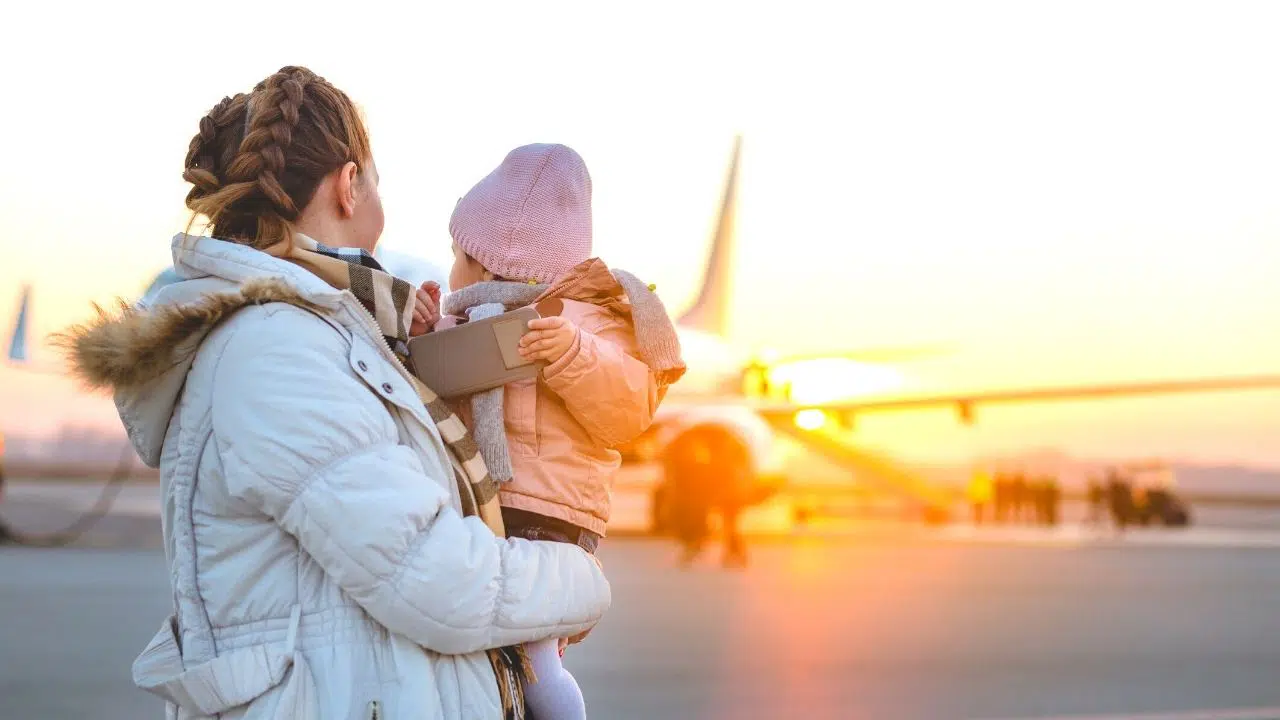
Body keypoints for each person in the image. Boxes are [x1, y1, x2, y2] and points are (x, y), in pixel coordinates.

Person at [58, 67, 610, 719]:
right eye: (376, 179)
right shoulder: (278, 349)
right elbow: (434, 579)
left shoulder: (309, 335)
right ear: (349, 186)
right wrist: (584, 580)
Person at [426, 143, 684, 720]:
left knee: (539, 661)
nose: (450, 271)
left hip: (550, 518)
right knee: (496, 659)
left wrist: (572, 353)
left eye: (456, 255)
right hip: (488, 511)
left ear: (488, 261)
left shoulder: (588, 319)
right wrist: (425, 328)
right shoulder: (468, 322)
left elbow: (628, 410)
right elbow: (436, 387)